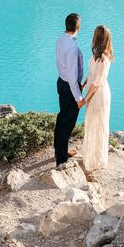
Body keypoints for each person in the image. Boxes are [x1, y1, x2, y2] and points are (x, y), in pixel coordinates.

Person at [54, 13, 86, 168]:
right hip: (69, 87)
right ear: (78, 27)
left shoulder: (61, 40)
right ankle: (61, 159)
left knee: (62, 119)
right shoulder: (72, 47)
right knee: (67, 123)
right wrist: (79, 98)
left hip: (61, 82)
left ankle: (61, 150)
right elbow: (73, 77)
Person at [82, 25, 113, 178]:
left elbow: (97, 82)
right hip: (93, 92)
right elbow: (91, 75)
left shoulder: (104, 59)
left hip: (99, 95)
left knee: (98, 125)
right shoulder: (96, 54)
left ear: (98, 38)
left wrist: (84, 99)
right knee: (92, 123)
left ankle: (95, 160)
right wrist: (83, 83)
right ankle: (90, 156)